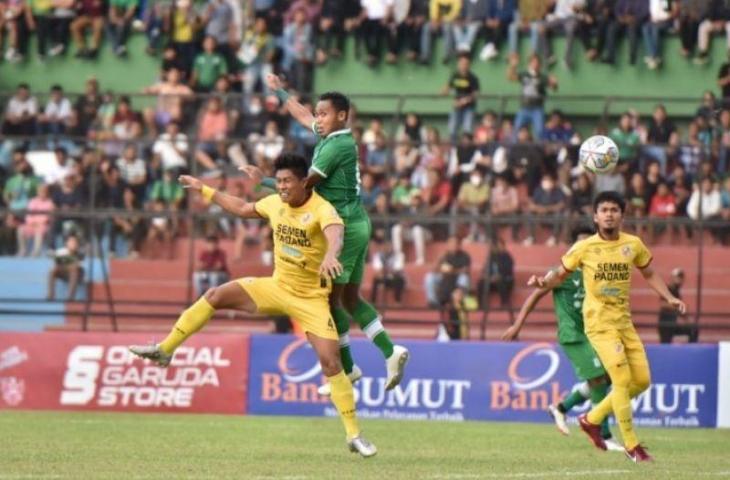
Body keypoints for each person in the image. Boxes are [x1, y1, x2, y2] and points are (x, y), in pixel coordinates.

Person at [129, 153, 376, 458]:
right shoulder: (274, 203)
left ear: (303, 182)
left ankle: (354, 435)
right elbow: (243, 208)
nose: (282, 187)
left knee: (332, 364)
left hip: (311, 299)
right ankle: (166, 349)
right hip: (276, 287)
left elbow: (335, 233)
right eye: (280, 181)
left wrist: (330, 255)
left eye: (287, 181)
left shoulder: (322, 209)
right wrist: (205, 189)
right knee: (216, 296)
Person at [242, 75, 409, 397]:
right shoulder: (333, 137)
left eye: (324, 114)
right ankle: (389, 352)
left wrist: (265, 181)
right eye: (317, 114)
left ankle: (347, 370)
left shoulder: (336, 146)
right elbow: (300, 112)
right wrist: (279, 89)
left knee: (329, 302)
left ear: (342, 116)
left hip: (342, 226)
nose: (317, 119)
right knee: (348, 298)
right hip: (357, 222)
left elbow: (305, 185)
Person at [530, 191, 686, 462]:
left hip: (624, 322)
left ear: (622, 216)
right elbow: (560, 274)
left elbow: (648, 272)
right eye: (604, 210)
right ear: (595, 216)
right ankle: (632, 445)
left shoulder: (633, 244)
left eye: (614, 209)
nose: (609, 214)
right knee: (622, 380)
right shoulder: (584, 247)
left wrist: (669, 297)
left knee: (642, 382)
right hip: (599, 324)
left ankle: (591, 418)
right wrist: (543, 283)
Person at [502, 227, 623, 452]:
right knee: (598, 379)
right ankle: (603, 435)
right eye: (580, 244)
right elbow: (536, 294)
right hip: (573, 336)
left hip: (593, 334)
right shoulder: (562, 273)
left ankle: (560, 408)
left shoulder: (598, 273)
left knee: (605, 378)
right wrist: (518, 324)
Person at [442, 53, 480, 143]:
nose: (463, 66)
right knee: (452, 129)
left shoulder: (473, 78)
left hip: (469, 108)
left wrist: (463, 101)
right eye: (461, 63)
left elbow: (475, 94)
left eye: (465, 64)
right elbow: (447, 88)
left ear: (469, 65)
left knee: (468, 130)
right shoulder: (455, 76)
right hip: (457, 107)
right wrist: (444, 90)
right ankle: (453, 149)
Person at [658, 268, 699, 344]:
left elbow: (679, 310)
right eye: (677, 277)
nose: (679, 280)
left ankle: (691, 351)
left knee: (693, 329)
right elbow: (663, 304)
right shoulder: (667, 289)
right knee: (665, 346)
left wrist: (687, 320)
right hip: (665, 324)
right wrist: (678, 306)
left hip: (672, 324)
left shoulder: (677, 292)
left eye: (681, 278)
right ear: (672, 278)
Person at [47, 234, 84, 301]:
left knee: (73, 269)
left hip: (77, 274)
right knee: (52, 270)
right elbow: (56, 263)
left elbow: (79, 266)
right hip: (64, 272)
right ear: (66, 243)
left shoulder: (80, 253)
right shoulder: (60, 251)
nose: (73, 244)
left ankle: (71, 297)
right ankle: (50, 295)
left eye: (74, 242)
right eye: (71, 242)